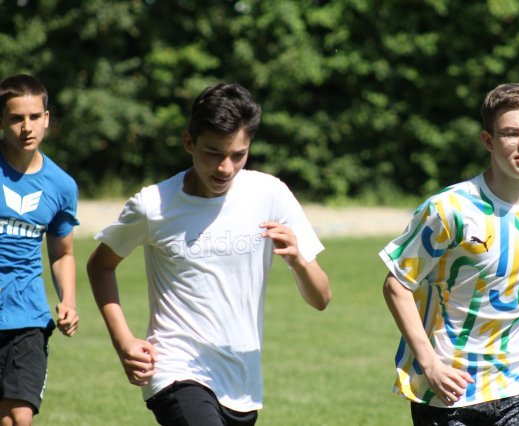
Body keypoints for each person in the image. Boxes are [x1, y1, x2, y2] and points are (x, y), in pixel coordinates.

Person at [86, 82, 332, 425]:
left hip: (241, 380)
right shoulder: (154, 205)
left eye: (238, 155)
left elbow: (321, 298)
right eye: (213, 153)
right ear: (189, 142)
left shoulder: (270, 194)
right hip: (174, 368)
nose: (225, 168)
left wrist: (298, 262)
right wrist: (123, 340)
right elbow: (100, 266)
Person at [379, 82, 519, 425]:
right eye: (512, 133)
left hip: (515, 384)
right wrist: (430, 364)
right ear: (488, 140)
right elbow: (397, 285)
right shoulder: (449, 209)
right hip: (448, 387)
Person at [0, 74, 80, 425]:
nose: (26, 127)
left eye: (34, 117)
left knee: (19, 418)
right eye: (16, 118)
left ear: (47, 118)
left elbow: (62, 253)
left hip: (27, 317)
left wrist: (69, 301)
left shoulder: (61, 186)